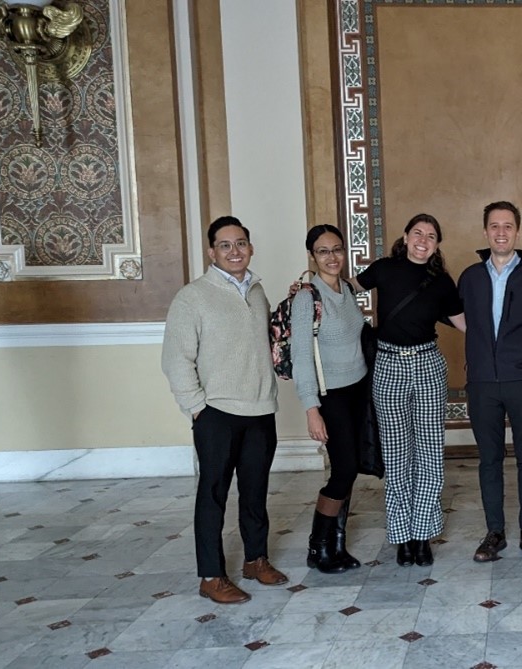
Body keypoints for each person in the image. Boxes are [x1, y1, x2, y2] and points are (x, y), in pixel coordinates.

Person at [162, 216, 288, 604]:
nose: (235, 251)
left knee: (255, 492)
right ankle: (211, 575)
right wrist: (198, 409)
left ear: (250, 247)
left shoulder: (257, 291)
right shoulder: (193, 296)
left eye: (241, 244)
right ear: (212, 251)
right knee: (213, 494)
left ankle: (255, 559)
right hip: (216, 412)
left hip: (260, 410)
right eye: (225, 245)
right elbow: (175, 359)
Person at [354, 214, 466, 567]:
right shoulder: (384, 268)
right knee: (397, 454)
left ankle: (423, 533)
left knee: (430, 452)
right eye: (417, 233)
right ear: (405, 237)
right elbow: (344, 288)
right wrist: (309, 288)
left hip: (428, 365)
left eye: (431, 236)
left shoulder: (442, 281)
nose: (423, 240)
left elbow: (468, 324)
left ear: (436, 245)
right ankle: (402, 535)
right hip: (389, 364)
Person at [458, 201, 522, 562]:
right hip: (483, 384)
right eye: (494, 226)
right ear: (485, 231)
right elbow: (458, 319)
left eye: (508, 226)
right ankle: (494, 532)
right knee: (489, 459)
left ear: (517, 231)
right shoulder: (469, 277)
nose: (501, 232)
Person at [291, 225, 369, 574]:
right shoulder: (307, 297)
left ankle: (338, 545)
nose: (332, 257)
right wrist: (312, 410)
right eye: (323, 251)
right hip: (330, 395)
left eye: (337, 249)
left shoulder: (348, 290)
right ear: (312, 255)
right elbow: (302, 357)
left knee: (350, 469)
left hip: (358, 390)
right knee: (344, 469)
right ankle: (318, 545)